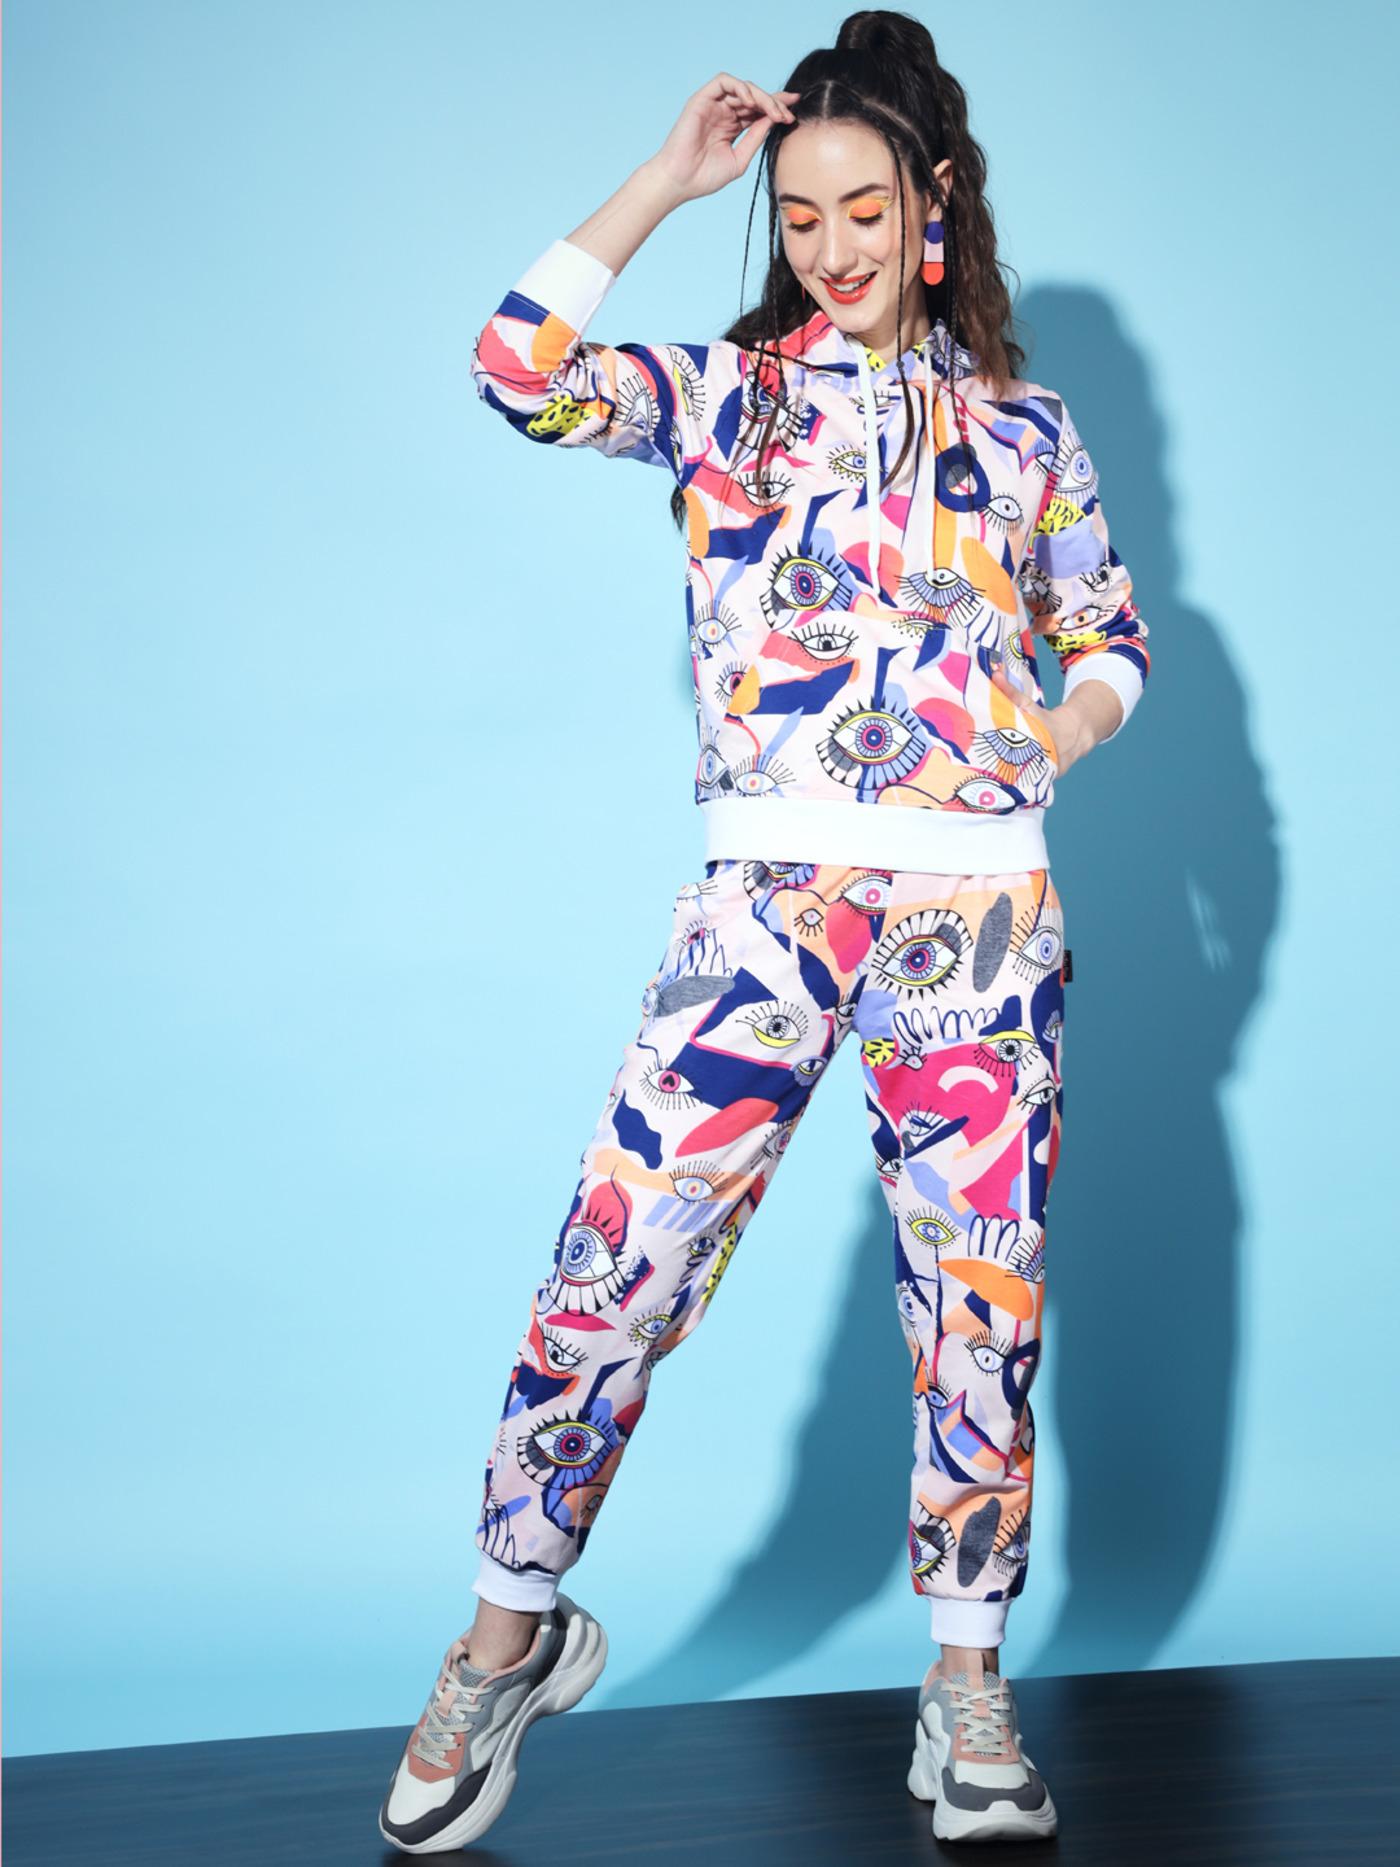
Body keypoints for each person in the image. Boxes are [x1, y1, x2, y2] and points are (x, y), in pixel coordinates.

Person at [379, 9, 1148, 1851]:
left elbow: (1110, 635)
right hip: (765, 905)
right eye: (800, 216)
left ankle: (966, 1683)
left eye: (865, 208)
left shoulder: (1026, 429)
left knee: (979, 1310)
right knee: (619, 1263)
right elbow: (513, 368)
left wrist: (1047, 736)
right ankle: (507, 1638)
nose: (834, 245)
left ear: (933, 203)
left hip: (980, 912)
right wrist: (667, 180)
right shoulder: (728, 402)